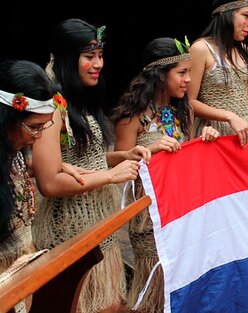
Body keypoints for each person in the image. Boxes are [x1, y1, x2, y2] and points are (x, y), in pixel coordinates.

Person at [31, 19, 148, 313]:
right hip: (69, 232)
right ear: (69, 60)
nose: (98, 64)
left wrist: (121, 156)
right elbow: (49, 181)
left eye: (100, 55)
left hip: (97, 226)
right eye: (89, 56)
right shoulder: (53, 108)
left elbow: (84, 161)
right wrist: (109, 177)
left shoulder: (79, 100)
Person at [111, 37, 219, 313]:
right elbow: (121, 170)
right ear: (159, 75)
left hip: (181, 208)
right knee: (156, 282)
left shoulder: (184, 110)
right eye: (182, 73)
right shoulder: (131, 116)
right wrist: (151, 149)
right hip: (149, 216)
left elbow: (189, 159)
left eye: (189, 73)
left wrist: (205, 140)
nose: (188, 80)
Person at [0, 59, 57, 313]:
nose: (39, 136)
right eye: (33, 127)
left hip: (22, 278)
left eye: (44, 126)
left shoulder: (15, 152)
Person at [188, 0, 248, 148]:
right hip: (213, 135)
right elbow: (189, 102)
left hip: (243, 134)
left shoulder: (244, 50)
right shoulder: (201, 49)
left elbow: (240, 97)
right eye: (246, 16)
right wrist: (228, 116)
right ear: (226, 14)